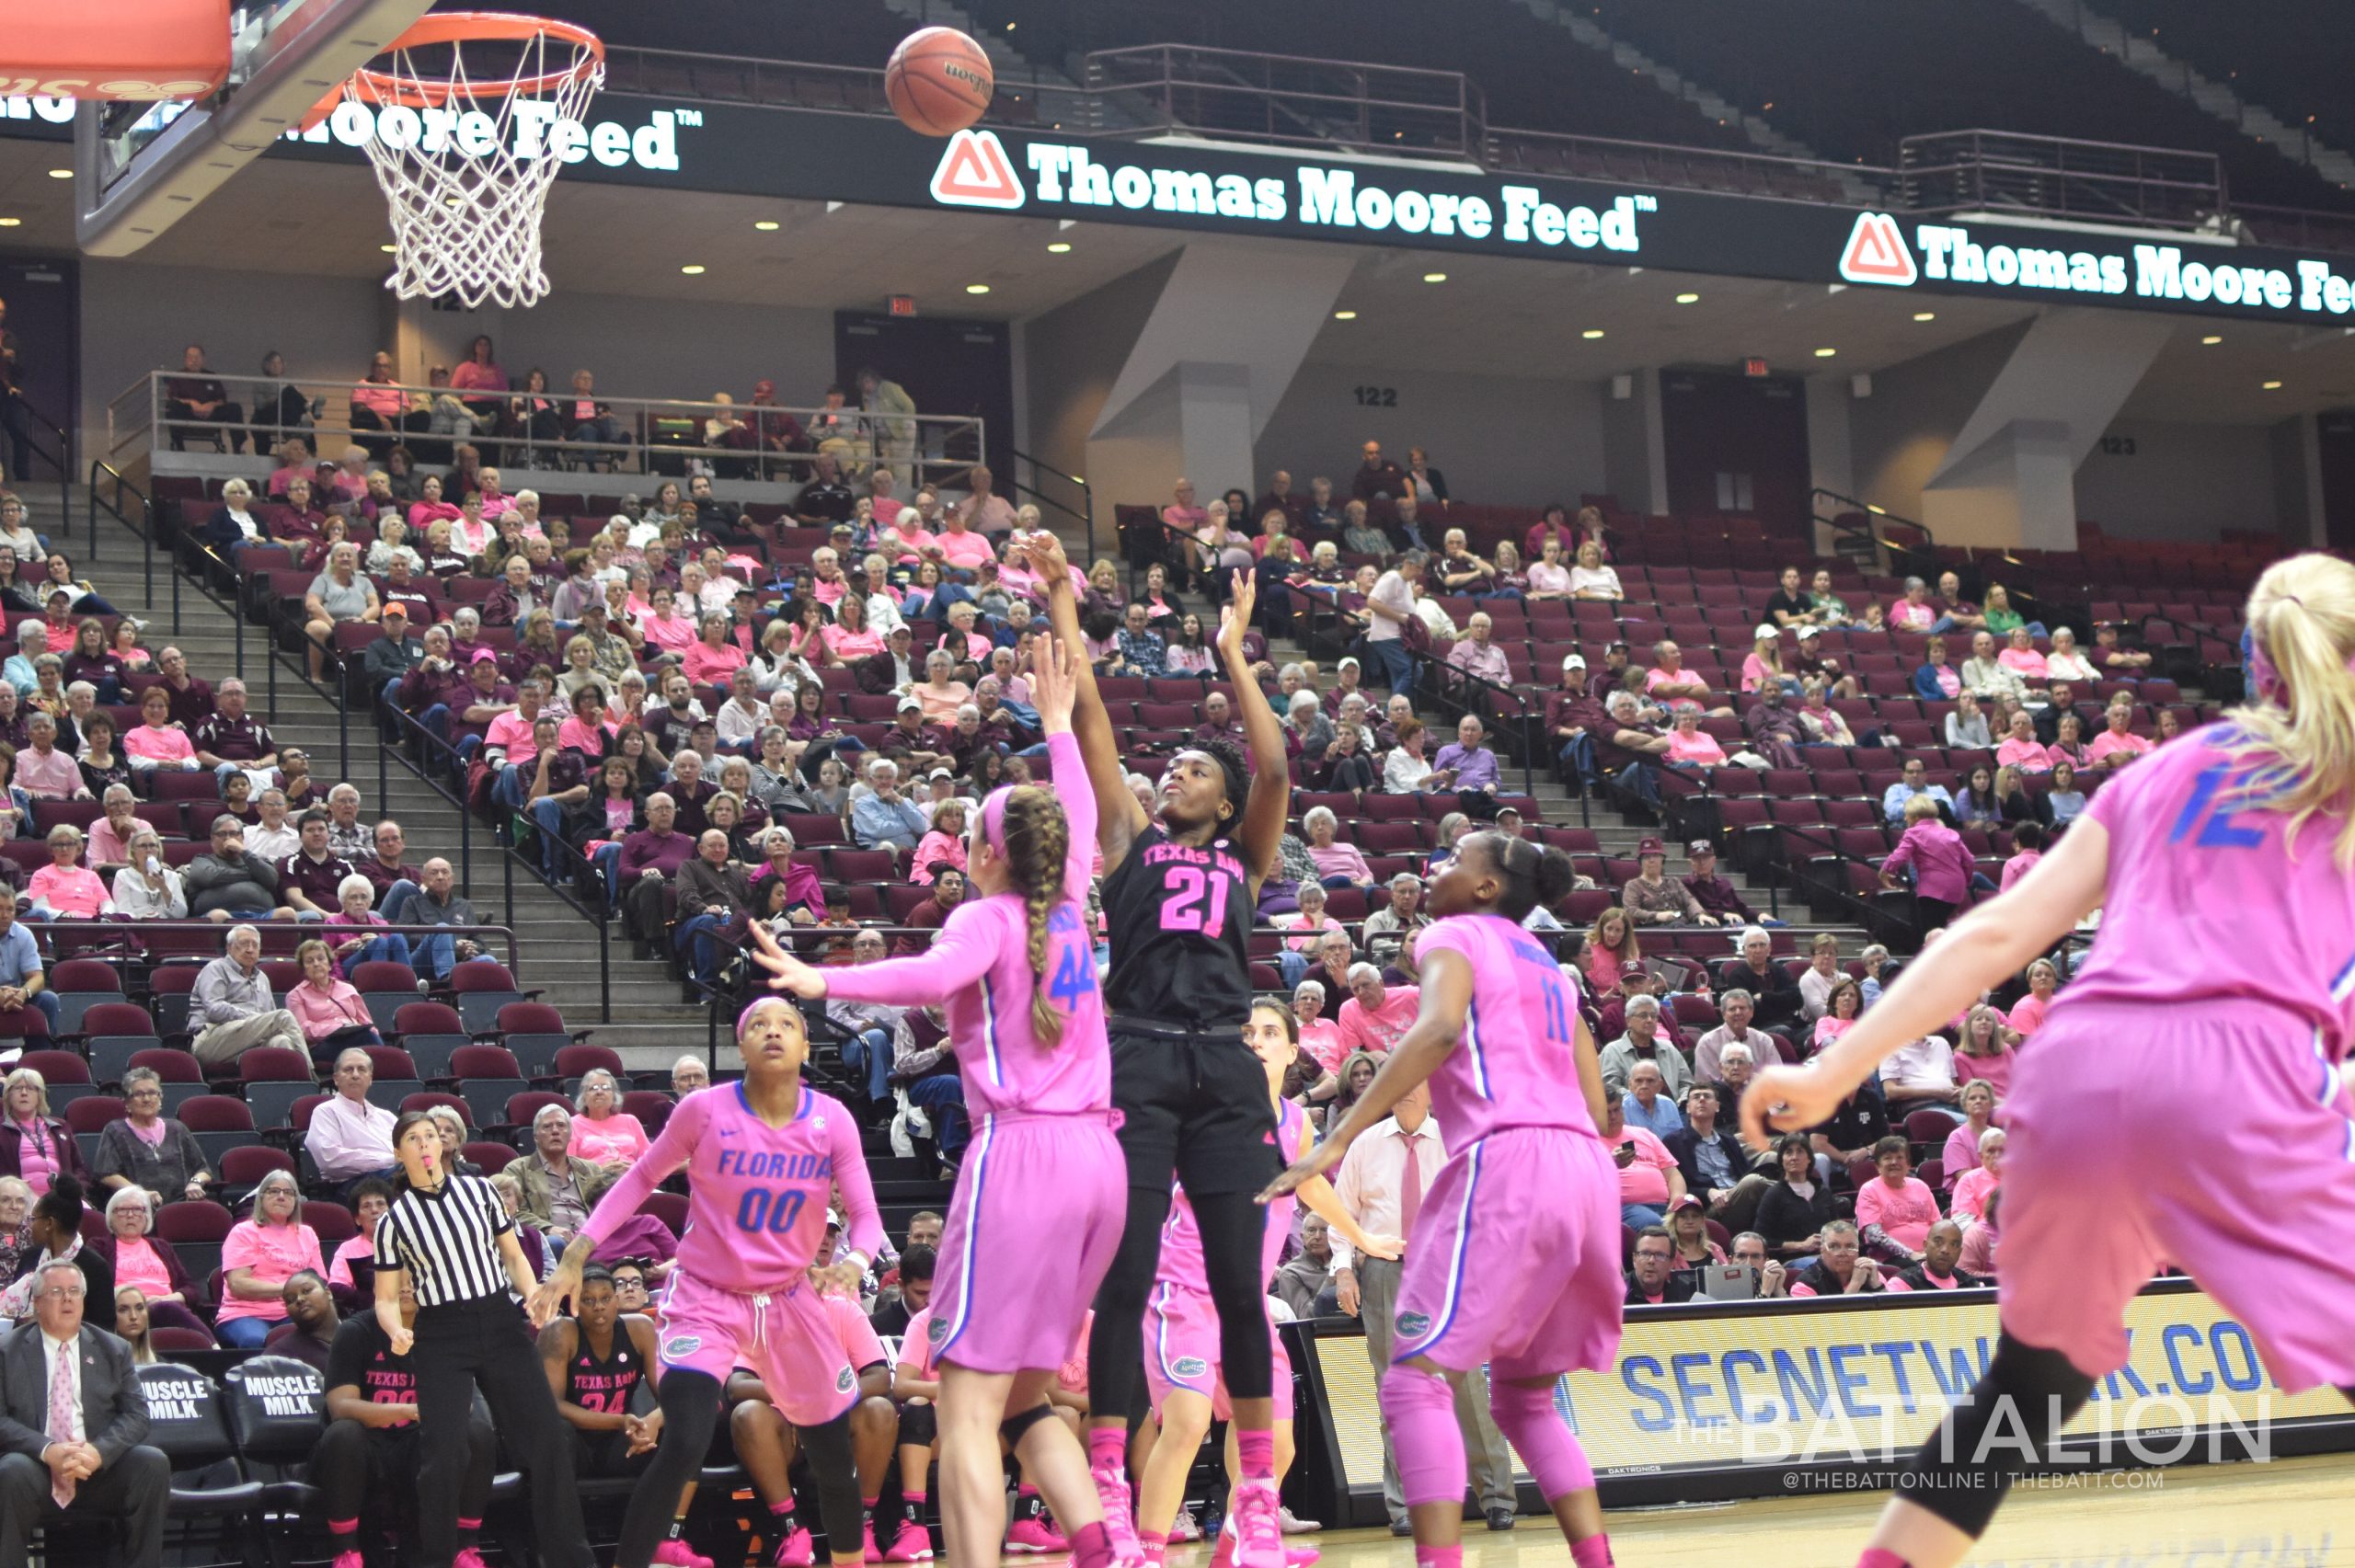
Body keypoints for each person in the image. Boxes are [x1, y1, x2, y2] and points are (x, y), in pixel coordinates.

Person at [1741, 554, 2355, 1568]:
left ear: (2257, 665)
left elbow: (1987, 940)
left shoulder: (2161, 771)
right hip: (2237, 1069)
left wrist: (1829, 1069)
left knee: (2027, 1388)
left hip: (2075, 1068)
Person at [747, 643, 1132, 1568]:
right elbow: (1078, 816)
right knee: (1025, 1399)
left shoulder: (986, 915)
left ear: (986, 852)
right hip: (1101, 1168)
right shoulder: (1072, 903)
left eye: (967, 834)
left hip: (1024, 1160)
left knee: (962, 1400)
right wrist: (1055, 725)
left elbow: (928, 971)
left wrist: (818, 975)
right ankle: (1105, 1549)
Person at [1035, 537, 1296, 1567]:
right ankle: (1106, 1473)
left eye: (1193, 768)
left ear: (1223, 802)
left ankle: (1260, 1497)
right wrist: (1060, 592)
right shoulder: (1130, 841)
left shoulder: (1248, 853)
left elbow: (1272, 762)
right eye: (1171, 765)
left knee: (1239, 1282)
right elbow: (1091, 717)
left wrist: (1234, 651)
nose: (1171, 771)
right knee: (1127, 1275)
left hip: (1227, 1067)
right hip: (1137, 1055)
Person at [1265, 831, 1621, 1568]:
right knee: (1523, 1401)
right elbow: (1598, 1103)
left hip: (1509, 1156)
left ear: (1488, 887)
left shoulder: (1452, 933)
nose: (1436, 870)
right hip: (1585, 1170)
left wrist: (1336, 1139)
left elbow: (1438, 1027)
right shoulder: (1555, 972)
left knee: (1413, 1379)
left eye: (1456, 860)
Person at [530, 1001, 879, 1568]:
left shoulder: (831, 1119)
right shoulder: (704, 1110)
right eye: (758, 1024)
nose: (772, 1031)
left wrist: (858, 1260)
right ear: (740, 1047)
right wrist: (577, 1249)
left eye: (787, 1024)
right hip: (706, 1298)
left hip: (790, 1299)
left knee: (834, 1455)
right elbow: (642, 1176)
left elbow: (864, 1210)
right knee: (686, 1439)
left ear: (805, 1048)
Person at [372, 1110, 594, 1568]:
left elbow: (513, 1256)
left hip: (499, 1320)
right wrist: (396, 1329)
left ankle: (572, 1558)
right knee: (445, 1453)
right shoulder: (392, 1222)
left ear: (444, 1144)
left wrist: (533, 1294)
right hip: (439, 1332)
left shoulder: (480, 1191)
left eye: (430, 1136)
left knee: (548, 1439)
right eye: (413, 1138)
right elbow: (386, 1297)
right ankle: (436, 1558)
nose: (425, 1144)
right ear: (399, 1152)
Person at [315, 1263, 501, 1568]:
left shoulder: (445, 1335)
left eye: (413, 1280)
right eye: (396, 1280)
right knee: (344, 1433)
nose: (405, 1286)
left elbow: (461, 1404)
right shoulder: (355, 1331)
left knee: (476, 1433)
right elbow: (341, 1407)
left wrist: (426, 1413)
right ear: (377, 1288)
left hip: (417, 1446)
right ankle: (346, 1552)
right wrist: (410, 1410)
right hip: (366, 1449)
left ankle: (463, 1547)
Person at [0, 1255, 170, 1568]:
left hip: (96, 1470)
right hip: (36, 1470)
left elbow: (136, 1416)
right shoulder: (7, 1351)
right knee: (10, 1471)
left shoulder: (113, 1348)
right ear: (37, 1303)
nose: (67, 1299)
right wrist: (47, 1450)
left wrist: (99, 1452)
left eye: (75, 1291)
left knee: (151, 1463)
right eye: (56, 1292)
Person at [214, 1170, 325, 1348]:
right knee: (255, 1341)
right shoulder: (243, 1232)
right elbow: (238, 1285)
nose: (281, 1196)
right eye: (274, 1191)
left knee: (322, 1337)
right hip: (245, 1313)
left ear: (296, 1200)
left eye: (288, 1193)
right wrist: (289, 1289)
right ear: (261, 1197)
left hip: (295, 1311)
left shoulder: (307, 1234)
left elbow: (319, 1282)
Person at [88, 1068, 211, 1209]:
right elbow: (105, 1174)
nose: (146, 1099)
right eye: (139, 1094)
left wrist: (195, 1182)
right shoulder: (115, 1130)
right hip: (136, 1206)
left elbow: (204, 1169)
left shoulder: (177, 1129)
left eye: (152, 1093)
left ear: (160, 1098)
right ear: (127, 1102)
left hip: (182, 1205)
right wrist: (139, 1193)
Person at [189, 923, 306, 1067]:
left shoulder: (262, 977)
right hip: (212, 1039)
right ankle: (311, 1076)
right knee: (283, 1016)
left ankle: (296, 1086)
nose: (250, 949)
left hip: (253, 1041)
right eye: (244, 944)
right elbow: (215, 1010)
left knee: (282, 1042)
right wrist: (255, 1019)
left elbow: (269, 1017)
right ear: (229, 947)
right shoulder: (216, 968)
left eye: (255, 945)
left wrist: (261, 1022)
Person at [305, 1047, 398, 1193]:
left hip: (393, 1176)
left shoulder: (387, 1117)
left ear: (370, 1078)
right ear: (336, 1078)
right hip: (352, 1186)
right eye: (348, 1069)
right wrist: (391, 1160)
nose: (355, 1075)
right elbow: (330, 1159)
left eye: (361, 1069)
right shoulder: (326, 1112)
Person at [264, 1269, 341, 1373]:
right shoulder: (279, 1354)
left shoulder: (362, 1334)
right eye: (290, 1300)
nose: (299, 1299)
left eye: (306, 1291)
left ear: (328, 1293)